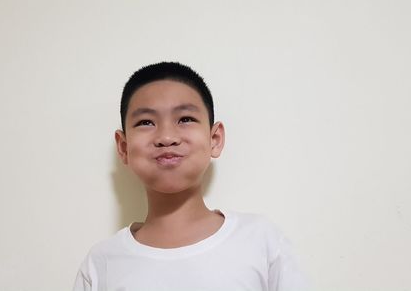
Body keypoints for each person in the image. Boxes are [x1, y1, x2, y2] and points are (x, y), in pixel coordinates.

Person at [73, 62, 307, 290]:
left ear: (214, 139)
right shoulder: (101, 264)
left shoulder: (261, 241)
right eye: (146, 122)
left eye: (185, 119)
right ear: (124, 147)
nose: (166, 137)